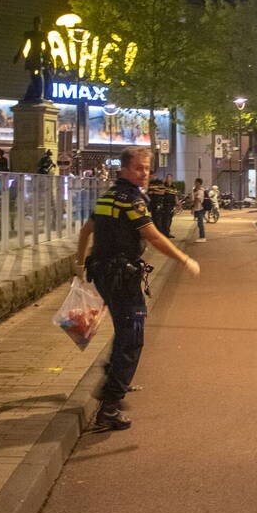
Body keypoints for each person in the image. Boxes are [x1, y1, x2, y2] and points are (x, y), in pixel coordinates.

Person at [75, 147, 200, 431]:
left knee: (124, 332)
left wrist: (79, 264)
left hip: (103, 275)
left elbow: (86, 230)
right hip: (121, 277)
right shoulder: (132, 201)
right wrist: (185, 259)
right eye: (139, 168)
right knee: (132, 338)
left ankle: (113, 376)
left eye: (147, 169)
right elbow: (153, 236)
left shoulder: (107, 196)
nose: (144, 174)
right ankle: (110, 406)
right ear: (124, 169)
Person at [191, 177, 207, 243]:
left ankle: (202, 237)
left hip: (200, 208)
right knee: (199, 223)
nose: (195, 183)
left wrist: (193, 209)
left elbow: (197, 200)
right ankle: (201, 236)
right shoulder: (196, 190)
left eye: (196, 182)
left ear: (199, 183)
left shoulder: (200, 191)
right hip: (199, 208)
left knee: (200, 223)